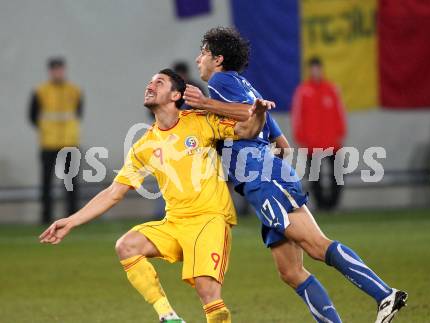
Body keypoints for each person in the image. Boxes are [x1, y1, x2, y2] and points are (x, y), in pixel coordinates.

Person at [183, 27, 407, 323]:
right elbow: (282, 144)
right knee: (290, 272)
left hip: (264, 181)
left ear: (219, 59)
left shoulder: (221, 82)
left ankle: (384, 294)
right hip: (267, 178)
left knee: (316, 245)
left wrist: (206, 104)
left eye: (204, 53)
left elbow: (247, 113)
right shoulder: (248, 87)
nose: (199, 59)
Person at [39, 68, 272, 323]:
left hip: (209, 219)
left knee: (208, 293)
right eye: (149, 82)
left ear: (175, 95)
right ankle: (168, 317)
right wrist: (71, 221)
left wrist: (258, 113)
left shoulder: (199, 121)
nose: (150, 86)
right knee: (127, 245)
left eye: (158, 83)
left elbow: (246, 130)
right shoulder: (144, 145)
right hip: (174, 223)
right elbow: (114, 193)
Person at [28, 57, 83, 224]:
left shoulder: (74, 91)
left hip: (70, 142)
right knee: (47, 182)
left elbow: (78, 112)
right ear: (50, 71)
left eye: (60, 69)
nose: (58, 72)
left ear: (64, 70)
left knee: (71, 182)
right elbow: (32, 115)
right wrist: (46, 129)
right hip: (49, 143)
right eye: (54, 69)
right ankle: (46, 217)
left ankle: (73, 217)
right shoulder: (40, 91)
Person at [291, 57, 347, 211]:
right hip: (312, 144)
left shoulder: (331, 89)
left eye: (318, 68)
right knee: (315, 177)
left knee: (338, 175)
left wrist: (340, 133)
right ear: (309, 70)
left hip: (332, 142)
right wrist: (301, 137)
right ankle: (322, 205)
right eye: (313, 68)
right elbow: (298, 116)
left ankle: (332, 204)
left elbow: (339, 113)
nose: (315, 71)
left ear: (321, 69)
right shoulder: (303, 91)